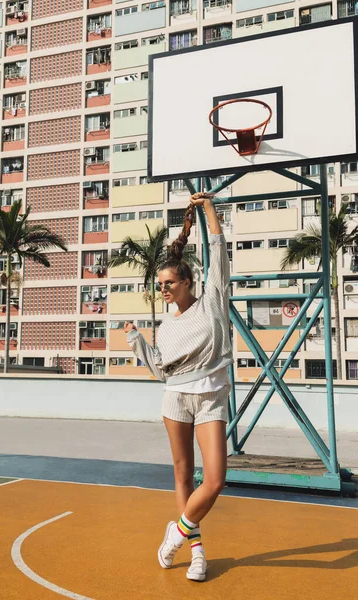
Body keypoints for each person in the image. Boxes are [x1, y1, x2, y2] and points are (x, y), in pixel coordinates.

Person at [124, 192, 232, 582]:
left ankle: (177, 532)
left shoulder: (213, 301)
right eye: (160, 284)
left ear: (188, 282)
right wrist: (138, 341)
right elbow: (161, 370)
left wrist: (208, 210)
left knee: (216, 479)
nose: (164, 289)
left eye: (169, 283)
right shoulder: (166, 327)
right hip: (176, 400)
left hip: (210, 399)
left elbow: (219, 253)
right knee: (183, 475)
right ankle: (197, 553)